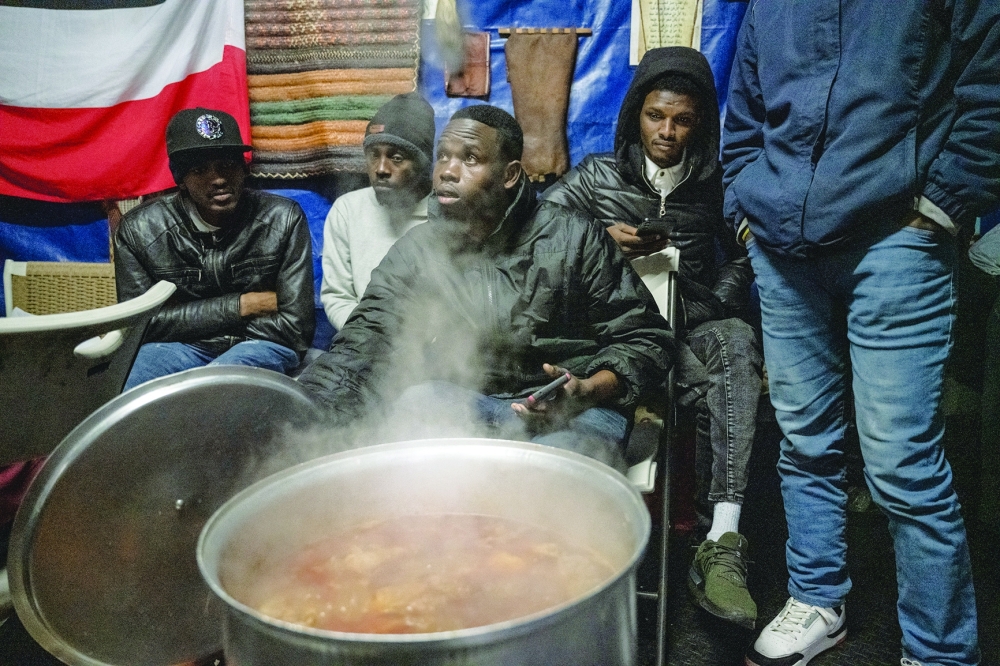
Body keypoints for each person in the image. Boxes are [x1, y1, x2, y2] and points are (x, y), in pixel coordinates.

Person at [723, 2, 999, 665]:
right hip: (784, 245)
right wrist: (745, 214)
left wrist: (944, 204)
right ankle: (819, 597)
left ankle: (937, 651)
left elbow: (991, 84)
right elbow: (743, 115)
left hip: (897, 239)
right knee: (804, 439)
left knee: (902, 461)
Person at [298, 105, 672, 471]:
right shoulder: (419, 250)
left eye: (470, 158)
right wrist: (303, 413)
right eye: (443, 156)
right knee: (412, 423)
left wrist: (586, 390)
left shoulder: (575, 237)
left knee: (546, 478)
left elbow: (645, 338)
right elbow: (364, 339)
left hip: (572, 412)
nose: (447, 171)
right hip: (466, 399)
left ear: (509, 174)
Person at [543, 46, 762, 630]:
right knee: (695, 382)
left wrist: (701, 295)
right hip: (611, 337)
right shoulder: (596, 178)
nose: (668, 131)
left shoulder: (716, 187)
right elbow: (537, 238)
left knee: (736, 341)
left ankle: (723, 539)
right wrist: (596, 240)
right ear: (635, 114)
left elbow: (746, 257)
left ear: (701, 124)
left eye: (684, 120)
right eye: (656, 116)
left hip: (685, 328)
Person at [116, 107, 315, 390]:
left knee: (212, 391)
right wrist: (242, 305)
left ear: (244, 169)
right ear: (180, 178)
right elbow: (140, 327)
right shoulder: (140, 230)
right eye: (199, 170)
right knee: (125, 392)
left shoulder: (282, 219)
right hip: (179, 347)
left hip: (261, 344)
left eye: (227, 165)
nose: (218, 178)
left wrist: (187, 319)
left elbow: (296, 328)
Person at [320, 93, 434, 331]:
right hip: (361, 341)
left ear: (423, 163)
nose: (381, 168)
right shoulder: (348, 211)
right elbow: (338, 297)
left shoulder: (446, 215)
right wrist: (369, 337)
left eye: (397, 157)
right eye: (374, 155)